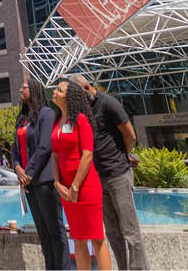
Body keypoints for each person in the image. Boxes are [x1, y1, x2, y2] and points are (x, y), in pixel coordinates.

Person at [71, 76, 145, 270]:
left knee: (130, 230)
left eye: (79, 95)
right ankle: (122, 267)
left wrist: (125, 155)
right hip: (99, 177)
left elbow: (130, 134)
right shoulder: (85, 111)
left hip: (118, 173)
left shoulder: (108, 103)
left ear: (87, 87)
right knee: (112, 231)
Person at [50, 80, 109, 271]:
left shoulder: (81, 120)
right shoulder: (57, 122)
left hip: (84, 186)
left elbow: (87, 154)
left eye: (59, 90)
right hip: (66, 189)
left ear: (69, 96)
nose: (55, 92)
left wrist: (75, 185)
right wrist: (57, 183)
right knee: (78, 238)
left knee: (97, 238)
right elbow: (55, 155)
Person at [14, 77, 68, 270]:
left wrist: (28, 173)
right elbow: (15, 151)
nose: (21, 89)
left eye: (24, 87)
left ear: (35, 90)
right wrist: (18, 169)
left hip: (44, 181)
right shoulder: (22, 118)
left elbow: (45, 147)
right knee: (43, 231)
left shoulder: (47, 114)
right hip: (28, 184)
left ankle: (62, 267)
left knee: (55, 228)